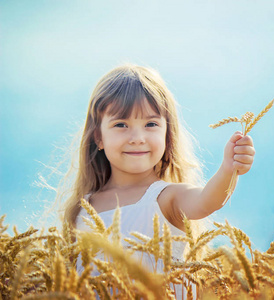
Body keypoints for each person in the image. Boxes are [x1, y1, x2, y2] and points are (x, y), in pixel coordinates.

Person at [63, 64, 255, 298]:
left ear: (167, 133)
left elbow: (207, 201)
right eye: (121, 125)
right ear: (98, 136)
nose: (138, 138)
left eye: (151, 124)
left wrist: (228, 169)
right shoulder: (84, 208)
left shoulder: (167, 197)